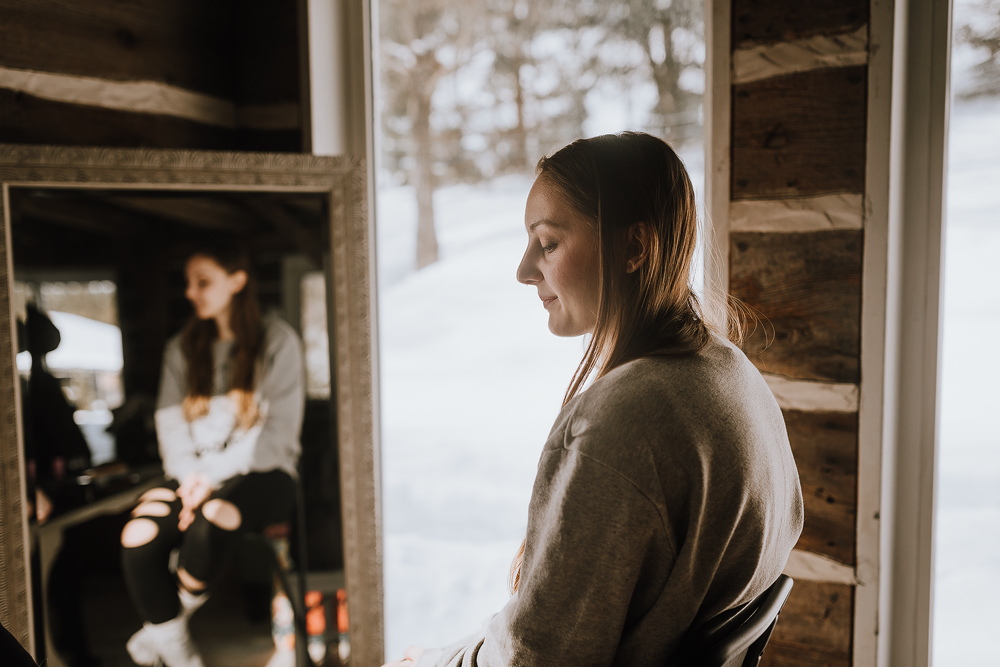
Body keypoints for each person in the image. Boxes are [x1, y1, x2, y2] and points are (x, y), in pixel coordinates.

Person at [384, 132, 804, 667]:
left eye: (549, 243)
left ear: (634, 247)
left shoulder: (622, 423)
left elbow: (540, 660)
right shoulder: (731, 374)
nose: (524, 269)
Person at [120, 243, 305, 667]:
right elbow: (169, 423)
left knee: (212, 519)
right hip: (191, 476)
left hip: (265, 474)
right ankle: (177, 647)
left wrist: (208, 479)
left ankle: (162, 637)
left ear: (237, 281)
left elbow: (273, 439)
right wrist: (190, 478)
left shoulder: (279, 342)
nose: (191, 292)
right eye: (188, 283)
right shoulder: (181, 347)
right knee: (139, 537)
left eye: (203, 282)